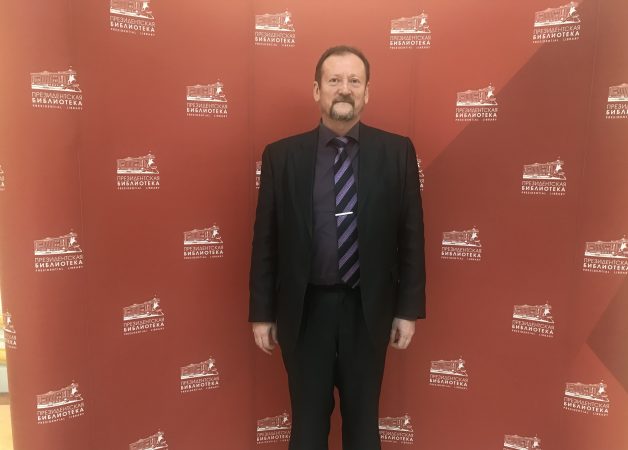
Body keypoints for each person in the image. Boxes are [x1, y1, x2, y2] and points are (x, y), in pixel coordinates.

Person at [249, 45, 426, 450]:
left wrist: (407, 310)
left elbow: (411, 236)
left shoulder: (397, 152)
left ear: (367, 92)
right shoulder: (281, 157)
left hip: (368, 312)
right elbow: (266, 242)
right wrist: (262, 313)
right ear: (317, 90)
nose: (344, 89)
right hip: (304, 312)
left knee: (363, 428)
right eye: (334, 80)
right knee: (307, 429)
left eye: (354, 81)